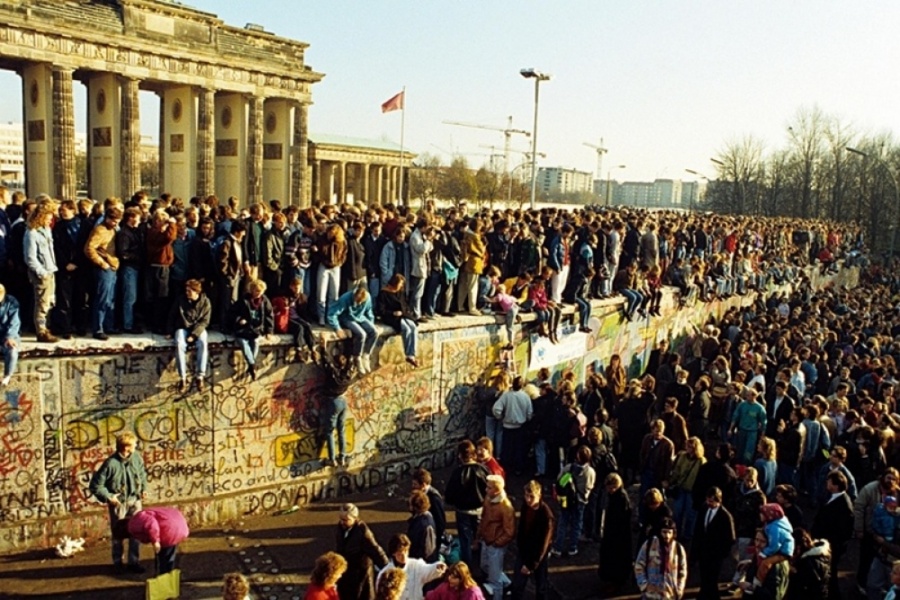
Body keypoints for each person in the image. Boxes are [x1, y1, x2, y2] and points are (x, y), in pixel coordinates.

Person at [88, 431, 148, 574]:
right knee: (118, 534)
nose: (136, 446)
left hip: (135, 500)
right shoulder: (110, 464)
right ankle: (118, 563)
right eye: (134, 445)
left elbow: (142, 474)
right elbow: (95, 485)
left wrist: (143, 489)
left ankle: (134, 562)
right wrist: (109, 497)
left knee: (136, 532)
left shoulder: (136, 458)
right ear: (126, 447)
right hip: (118, 503)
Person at [444, 440, 489, 566]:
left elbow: (449, 494)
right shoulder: (483, 470)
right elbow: (489, 489)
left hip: (462, 511)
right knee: (480, 536)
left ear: (460, 456)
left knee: (465, 539)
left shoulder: (457, 473)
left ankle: (467, 566)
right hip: (479, 509)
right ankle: (482, 564)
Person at [811, 470, 854, 597]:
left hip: (832, 546)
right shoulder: (834, 498)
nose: (826, 483)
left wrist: (829, 544)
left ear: (835, 486)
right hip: (827, 543)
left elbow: (843, 531)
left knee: (830, 573)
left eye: (829, 482)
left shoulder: (844, 505)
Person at [509, 480, 554, 600]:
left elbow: (543, 544)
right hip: (524, 551)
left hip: (538, 556)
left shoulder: (546, 515)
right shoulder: (526, 506)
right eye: (526, 496)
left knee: (541, 587)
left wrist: (531, 565)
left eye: (531, 496)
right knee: (517, 585)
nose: (528, 499)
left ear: (539, 495)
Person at [112, 506, 189, 575]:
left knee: (162, 560)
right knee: (168, 559)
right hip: (178, 526)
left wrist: (155, 541)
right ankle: (168, 578)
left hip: (169, 530)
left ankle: (163, 580)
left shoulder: (132, 525)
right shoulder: (138, 517)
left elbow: (151, 523)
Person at [335, 503, 389, 600]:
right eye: (341, 519)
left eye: (346, 520)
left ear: (355, 518)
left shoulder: (363, 533)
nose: (342, 522)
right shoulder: (342, 527)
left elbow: (376, 551)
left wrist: (388, 569)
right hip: (346, 574)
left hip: (360, 576)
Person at [84, 206, 123, 340]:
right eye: (114, 221)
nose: (116, 224)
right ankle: (98, 328)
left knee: (110, 299)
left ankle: (109, 325)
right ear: (107, 218)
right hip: (103, 269)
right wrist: (102, 263)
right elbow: (89, 249)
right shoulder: (100, 230)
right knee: (102, 298)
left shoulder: (113, 230)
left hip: (113, 266)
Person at [23, 199, 58, 342]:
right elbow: (30, 257)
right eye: (48, 219)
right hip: (42, 273)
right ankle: (41, 331)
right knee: (42, 303)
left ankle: (46, 327)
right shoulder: (31, 234)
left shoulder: (47, 231)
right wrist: (41, 272)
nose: (50, 222)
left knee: (50, 301)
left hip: (50, 269)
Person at [550, 445, 595, 557]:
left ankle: (558, 548)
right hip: (580, 501)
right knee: (577, 524)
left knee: (563, 522)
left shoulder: (569, 468)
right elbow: (590, 486)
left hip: (567, 500)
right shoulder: (590, 472)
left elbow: (559, 480)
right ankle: (572, 548)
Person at [475, 474, 515, 600]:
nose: (486, 490)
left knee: (494, 580)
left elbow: (509, 532)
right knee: (486, 567)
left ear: (497, 490)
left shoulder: (506, 508)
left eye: (489, 488)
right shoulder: (488, 498)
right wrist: (479, 536)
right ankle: (508, 584)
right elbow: (484, 519)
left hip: (495, 544)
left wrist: (497, 543)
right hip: (487, 541)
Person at [168, 279, 211, 393]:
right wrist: (170, 331)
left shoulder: (205, 302)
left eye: (189, 291)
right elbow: (172, 315)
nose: (187, 293)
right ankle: (183, 377)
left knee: (202, 343)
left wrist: (194, 335)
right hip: (182, 327)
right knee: (179, 344)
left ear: (196, 292)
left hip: (198, 328)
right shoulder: (180, 300)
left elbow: (205, 322)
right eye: (186, 291)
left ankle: (200, 376)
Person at [693, 486, 735, 600]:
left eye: (711, 501)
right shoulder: (704, 508)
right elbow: (698, 529)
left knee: (712, 578)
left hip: (715, 554)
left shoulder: (725, 516)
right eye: (707, 500)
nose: (708, 503)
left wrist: (721, 554)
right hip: (703, 551)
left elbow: (730, 538)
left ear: (718, 500)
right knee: (704, 576)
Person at [377, 533, 446, 600]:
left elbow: (427, 570)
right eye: (400, 554)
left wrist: (437, 567)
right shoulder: (386, 573)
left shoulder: (415, 565)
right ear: (393, 554)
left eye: (406, 552)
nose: (404, 557)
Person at [327, 284, 378, 375]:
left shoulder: (368, 297)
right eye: (357, 301)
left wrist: (371, 324)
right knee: (362, 334)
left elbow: (369, 312)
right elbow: (332, 314)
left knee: (374, 331)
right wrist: (337, 328)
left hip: (361, 317)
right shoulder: (345, 298)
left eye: (360, 302)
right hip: (347, 318)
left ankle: (366, 355)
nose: (358, 304)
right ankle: (357, 357)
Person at [634, 517, 687, 600]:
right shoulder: (649, 545)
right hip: (650, 596)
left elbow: (682, 572)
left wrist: (679, 590)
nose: (667, 536)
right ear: (659, 532)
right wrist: (644, 585)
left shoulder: (678, 549)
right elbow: (639, 566)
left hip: (670, 596)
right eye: (664, 532)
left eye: (670, 532)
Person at [232, 278, 274, 381]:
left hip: (256, 329)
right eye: (256, 291)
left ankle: (251, 366)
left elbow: (269, 316)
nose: (258, 294)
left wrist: (269, 331)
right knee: (243, 342)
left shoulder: (265, 301)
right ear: (252, 290)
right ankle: (252, 365)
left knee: (255, 342)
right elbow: (232, 313)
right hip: (243, 329)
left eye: (261, 291)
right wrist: (239, 320)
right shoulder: (243, 300)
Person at [492, 375, 533, 476]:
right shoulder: (525, 396)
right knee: (519, 449)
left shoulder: (507, 395)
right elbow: (530, 412)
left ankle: (506, 469)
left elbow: (496, 408)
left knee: (507, 449)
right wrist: (527, 419)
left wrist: (500, 417)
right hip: (521, 427)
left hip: (507, 426)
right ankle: (518, 469)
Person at [598, 473, 633, 590]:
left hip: (618, 534)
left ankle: (616, 578)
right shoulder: (616, 496)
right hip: (613, 532)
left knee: (616, 556)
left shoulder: (621, 498)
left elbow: (622, 518)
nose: (610, 490)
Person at [376, 273, 420, 367]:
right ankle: (408, 355)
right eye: (400, 284)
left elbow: (405, 304)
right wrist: (393, 313)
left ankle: (413, 354)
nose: (401, 286)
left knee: (413, 327)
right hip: (392, 316)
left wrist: (405, 312)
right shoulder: (384, 293)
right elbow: (381, 310)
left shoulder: (400, 292)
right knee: (406, 329)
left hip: (403, 314)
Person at [791, 528, 831, 600]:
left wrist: (795, 573)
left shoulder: (807, 563)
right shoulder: (819, 555)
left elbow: (806, 585)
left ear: (798, 547)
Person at [411, 468, 446, 545]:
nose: (413, 486)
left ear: (423, 485)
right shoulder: (423, 494)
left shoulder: (434, 498)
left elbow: (440, 521)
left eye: (415, 484)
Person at [407, 490, 437, 562]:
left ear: (415, 507)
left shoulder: (425, 525)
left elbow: (428, 552)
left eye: (410, 504)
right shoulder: (420, 520)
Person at [0, 284, 20, 386]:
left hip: (7, 334)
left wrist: (10, 337)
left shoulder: (11, 301)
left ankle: (7, 376)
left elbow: (14, 321)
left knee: (12, 351)